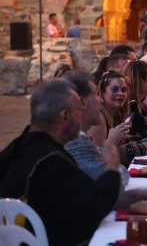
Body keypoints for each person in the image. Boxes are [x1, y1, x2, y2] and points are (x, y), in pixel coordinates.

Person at [0, 79, 121, 245]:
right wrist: (112, 168)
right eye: (78, 110)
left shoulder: (17, 148)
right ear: (64, 116)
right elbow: (93, 207)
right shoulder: (51, 161)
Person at [62, 71, 147, 209]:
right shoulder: (76, 142)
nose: (99, 100)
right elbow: (113, 187)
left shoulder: (77, 136)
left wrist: (137, 194)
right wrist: (114, 164)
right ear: (82, 102)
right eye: (95, 95)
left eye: (124, 90)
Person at [88, 70, 130, 148]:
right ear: (103, 92)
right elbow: (99, 156)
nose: (121, 93)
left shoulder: (118, 114)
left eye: (124, 90)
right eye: (114, 89)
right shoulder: (99, 118)